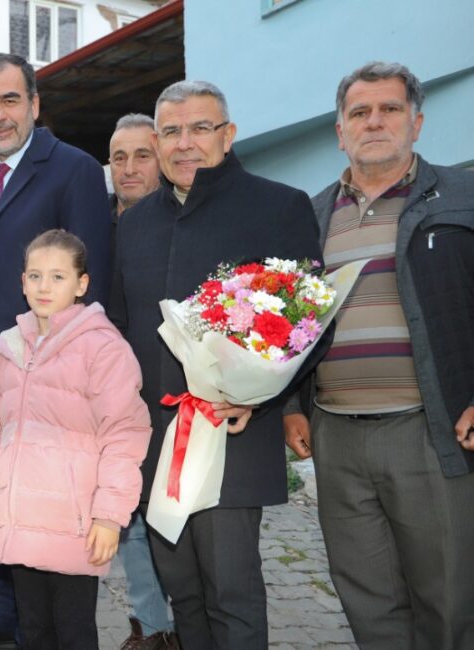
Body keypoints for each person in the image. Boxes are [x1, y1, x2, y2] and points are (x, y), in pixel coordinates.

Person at [108, 80, 321, 650]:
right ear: (156, 140)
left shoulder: (279, 206)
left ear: (227, 135)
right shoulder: (132, 224)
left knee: (232, 593)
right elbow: (121, 330)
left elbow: (311, 324)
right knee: (184, 593)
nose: (185, 143)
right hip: (155, 438)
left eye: (200, 128)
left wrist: (263, 395)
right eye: (172, 131)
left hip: (233, 431)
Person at [283, 61, 474, 650]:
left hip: (430, 428)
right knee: (365, 593)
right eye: (359, 112)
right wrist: (293, 406)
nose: (374, 122)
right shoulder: (308, 217)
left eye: (389, 109)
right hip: (335, 435)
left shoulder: (463, 197)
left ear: (416, 122)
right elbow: (286, 324)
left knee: (448, 597)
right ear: (340, 131)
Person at [0, 52, 111, 650]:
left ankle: (47, 625)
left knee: (38, 499)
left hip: (47, 374)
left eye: (9, 100)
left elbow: (92, 281)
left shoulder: (74, 169)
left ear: (34, 104)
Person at [0, 229, 150, 650]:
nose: (44, 287)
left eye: (57, 277)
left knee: (73, 633)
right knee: (32, 631)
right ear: (22, 282)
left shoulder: (103, 348)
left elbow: (124, 434)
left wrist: (109, 516)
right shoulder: (9, 347)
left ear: (81, 284)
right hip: (18, 516)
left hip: (74, 521)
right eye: (35, 276)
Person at [106, 113, 176, 650]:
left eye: (141, 155)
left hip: (174, 397)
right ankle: (151, 626)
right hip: (111, 399)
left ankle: (181, 622)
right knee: (127, 513)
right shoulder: (99, 228)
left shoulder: (181, 226)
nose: (129, 168)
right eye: (118, 157)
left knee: (171, 514)